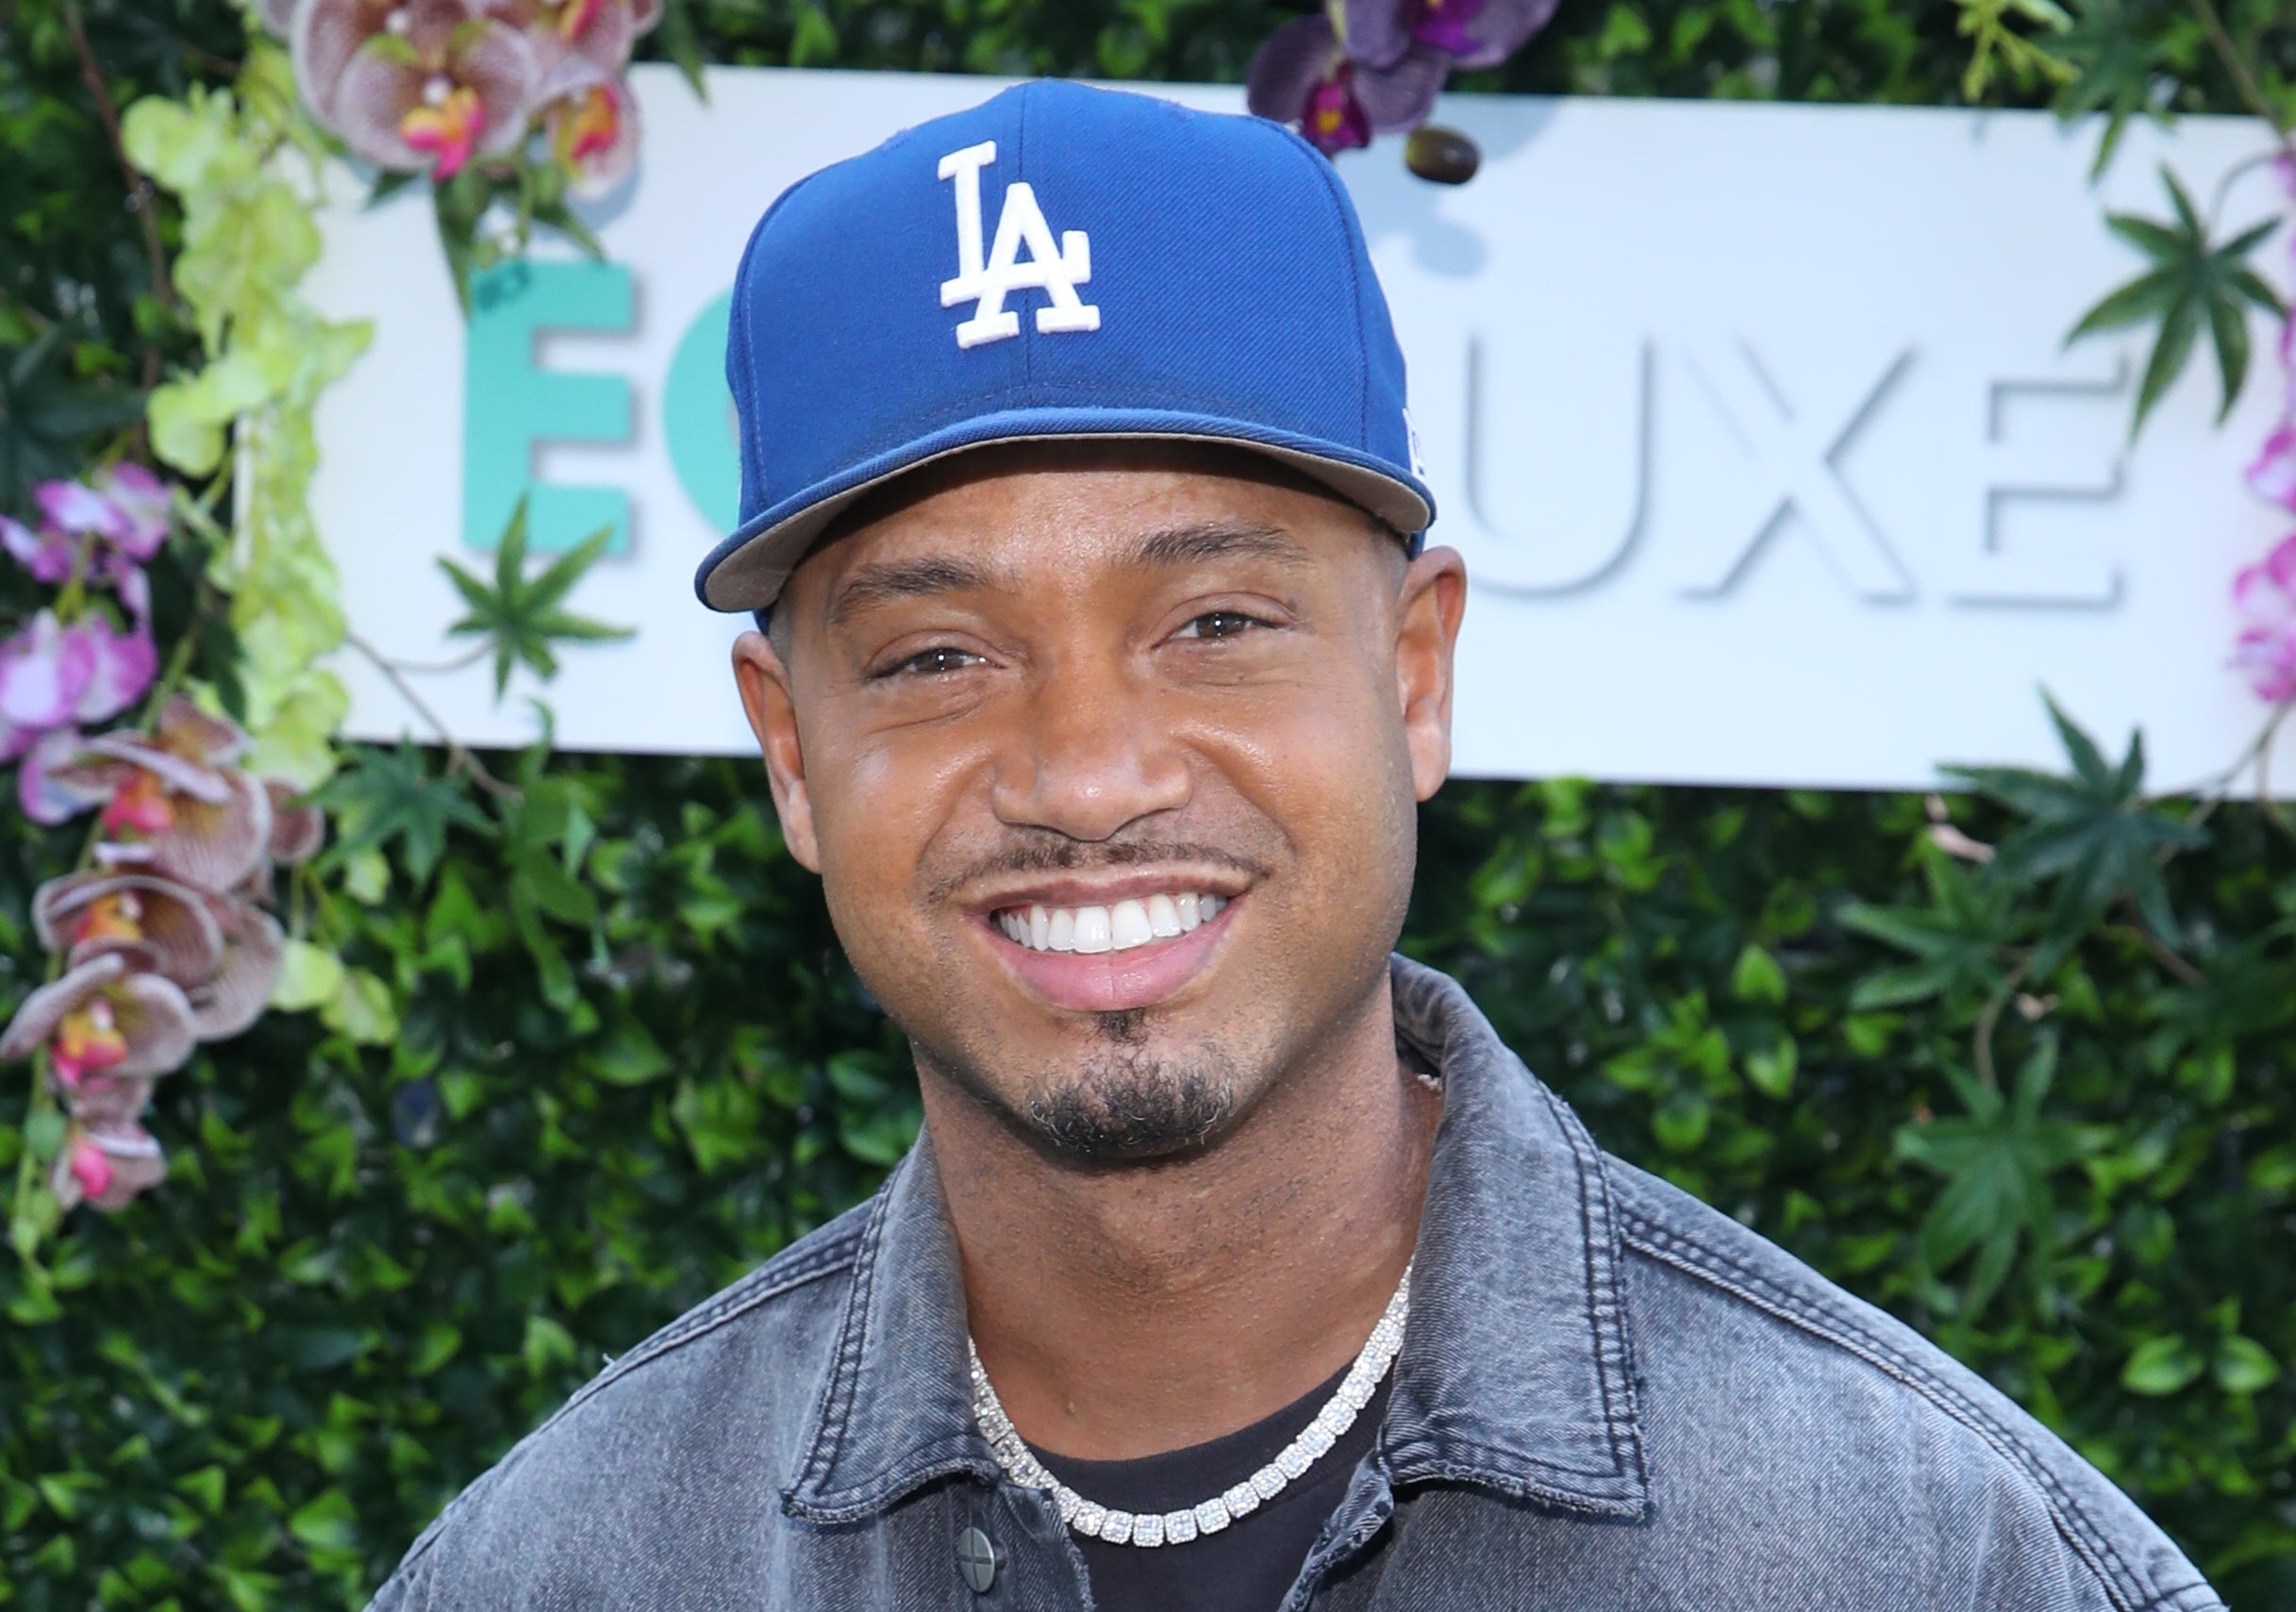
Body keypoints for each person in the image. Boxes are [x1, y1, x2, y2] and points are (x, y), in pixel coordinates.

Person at [366, 80, 2222, 1612]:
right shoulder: (563, 1573)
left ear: (1413, 676)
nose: (1087, 776)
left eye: (1214, 624)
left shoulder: (1926, 1556)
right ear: (790, 755)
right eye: (937, 657)